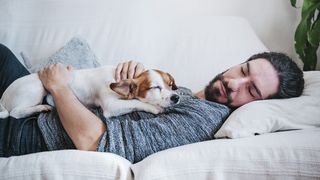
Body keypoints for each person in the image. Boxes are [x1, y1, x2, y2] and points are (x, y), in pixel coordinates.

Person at [0, 44, 304, 163]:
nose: (234, 83)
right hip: (45, 97)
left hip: (34, 132)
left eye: (251, 91)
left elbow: (93, 140)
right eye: (244, 71)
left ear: (260, 106)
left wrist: (58, 86)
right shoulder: (181, 92)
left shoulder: (201, 119)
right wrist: (134, 78)